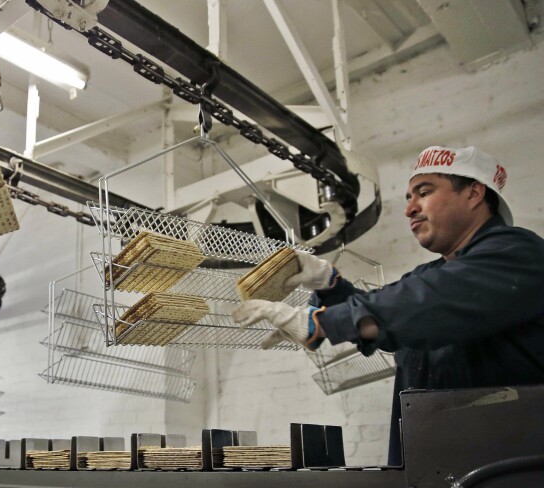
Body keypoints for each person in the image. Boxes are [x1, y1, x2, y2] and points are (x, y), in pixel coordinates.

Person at [232, 145, 544, 465]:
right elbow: (390, 317)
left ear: (474, 193)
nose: (409, 209)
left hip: (509, 479)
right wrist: (328, 284)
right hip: (436, 474)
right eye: (409, 198)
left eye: (423, 192)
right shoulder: (432, 276)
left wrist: (319, 323)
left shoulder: (518, 255)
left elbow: (418, 306)